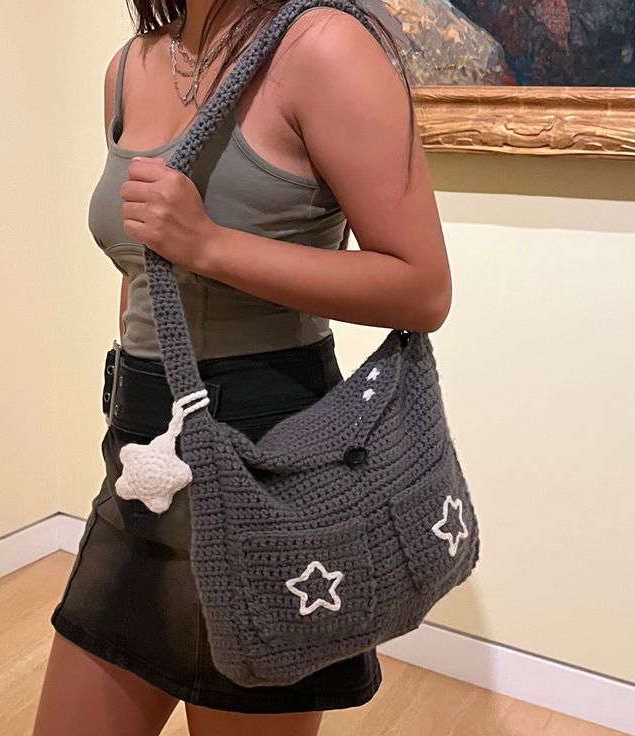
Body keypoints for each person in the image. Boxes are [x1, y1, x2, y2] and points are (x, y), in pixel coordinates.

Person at [32, 0, 451, 733]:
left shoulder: (323, 45)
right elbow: (137, 259)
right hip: (145, 457)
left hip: (272, 465)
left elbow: (422, 288)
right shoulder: (131, 67)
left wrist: (209, 245)